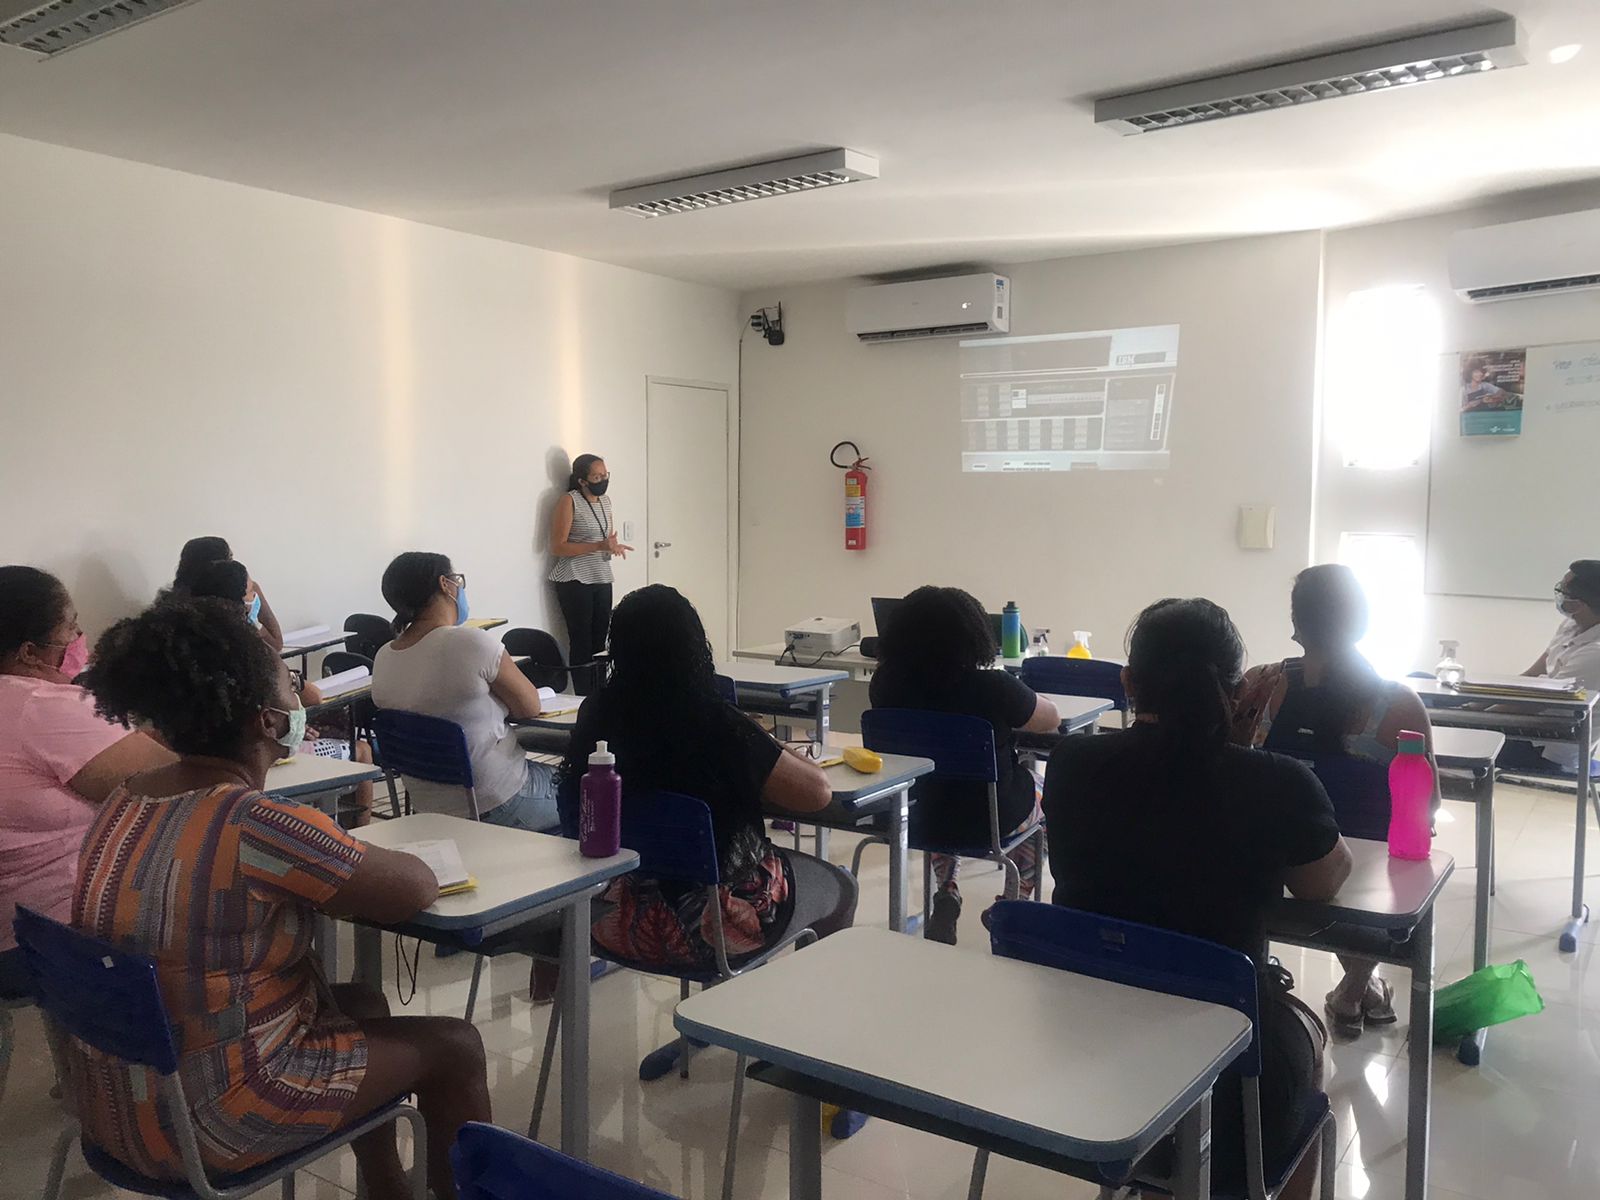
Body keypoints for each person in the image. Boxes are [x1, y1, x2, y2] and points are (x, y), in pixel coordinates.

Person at [72, 598, 489, 1200]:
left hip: (121, 1106)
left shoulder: (124, 802)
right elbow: (413, 890)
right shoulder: (254, 822)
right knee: (455, 1045)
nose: (299, 696)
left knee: (362, 1002)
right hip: (212, 1122)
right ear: (268, 721)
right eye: (290, 685)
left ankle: (387, 1188)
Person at [1044, 598, 1352, 1199]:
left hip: (1087, 1026)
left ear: (1129, 681)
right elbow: (1324, 881)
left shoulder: (1071, 761)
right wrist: (1248, 747)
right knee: (1312, 1040)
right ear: (1239, 691)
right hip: (1225, 1041)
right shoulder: (1276, 779)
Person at [558, 585, 849, 970]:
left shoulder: (596, 713)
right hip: (714, 929)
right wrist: (755, 733)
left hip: (614, 918)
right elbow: (817, 795)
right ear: (695, 647)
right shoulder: (716, 722)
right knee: (842, 886)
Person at [1232, 563, 1435, 1036]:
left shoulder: (1261, 685)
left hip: (1271, 868)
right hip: (1368, 886)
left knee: (1324, 849)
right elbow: (1424, 812)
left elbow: (1235, 773)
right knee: (1362, 860)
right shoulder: (1399, 704)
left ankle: (1359, 985)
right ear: (1361, 623)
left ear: (1297, 626)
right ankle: (1357, 985)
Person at [0, 566, 174, 998]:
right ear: (30, 652)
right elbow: (181, 789)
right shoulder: (39, 706)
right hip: (50, 937)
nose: (80, 634)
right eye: (70, 625)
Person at [867, 585, 1060, 944]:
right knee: (1046, 794)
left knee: (941, 785)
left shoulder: (885, 685)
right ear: (974, 636)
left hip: (914, 814)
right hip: (992, 818)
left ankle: (948, 889)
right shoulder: (995, 687)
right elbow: (1050, 719)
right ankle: (1011, 903)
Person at [373, 552, 558, 829]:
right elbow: (529, 706)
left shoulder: (384, 655)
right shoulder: (471, 642)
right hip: (497, 801)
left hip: (428, 809)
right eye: (458, 580)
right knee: (592, 790)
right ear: (446, 585)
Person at [188, 558, 377, 826]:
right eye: (252, 592)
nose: (257, 597)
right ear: (241, 601)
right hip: (259, 758)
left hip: (213, 760)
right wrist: (296, 685)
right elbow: (312, 698)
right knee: (362, 750)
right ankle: (361, 831)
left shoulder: (188, 650)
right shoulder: (253, 653)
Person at [1500, 560, 1600, 774]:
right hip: (1528, 724)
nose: (1559, 594)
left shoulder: (1596, 653)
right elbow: (1531, 674)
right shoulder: (1571, 625)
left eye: (1563, 590)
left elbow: (1537, 703)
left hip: (1547, 746)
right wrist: (1477, 698)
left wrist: (1472, 710)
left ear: (1579, 603)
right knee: (1426, 688)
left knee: (1454, 737)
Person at [548, 453, 632, 694]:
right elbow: (557, 546)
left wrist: (612, 547)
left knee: (601, 639)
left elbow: (606, 538)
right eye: (597, 476)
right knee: (581, 640)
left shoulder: (606, 502)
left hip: (601, 574)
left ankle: (601, 693)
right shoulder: (569, 500)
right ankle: (584, 696)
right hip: (575, 578)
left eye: (605, 475)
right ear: (582, 480)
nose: (603, 480)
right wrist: (598, 546)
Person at [167, 536, 284, 651]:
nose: (233, 565)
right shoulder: (179, 607)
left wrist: (252, 624)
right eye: (229, 559)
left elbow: (276, 643)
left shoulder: (250, 588)